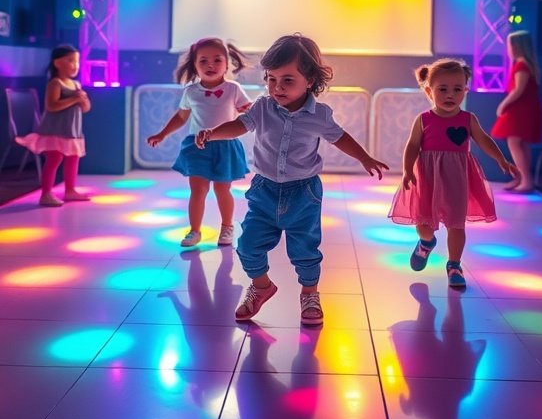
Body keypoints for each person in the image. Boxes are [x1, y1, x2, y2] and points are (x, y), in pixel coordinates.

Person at [195, 33, 389, 326]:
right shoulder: (262, 107)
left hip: (303, 193)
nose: (277, 87)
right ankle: (261, 286)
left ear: (309, 80)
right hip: (264, 190)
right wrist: (213, 133)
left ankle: (309, 294)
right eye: (271, 79)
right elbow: (239, 125)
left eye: (287, 80)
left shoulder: (320, 115)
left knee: (305, 250)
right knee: (247, 245)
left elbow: (340, 138)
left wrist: (365, 158)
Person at [388, 57, 517, 289]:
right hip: (428, 178)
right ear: (429, 91)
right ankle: (426, 243)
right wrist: (407, 170)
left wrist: (501, 159)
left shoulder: (468, 119)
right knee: (424, 223)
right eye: (443, 89)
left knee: (456, 224)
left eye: (457, 89)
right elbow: (413, 145)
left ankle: (454, 265)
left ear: (465, 91)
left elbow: (484, 140)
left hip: (457, 179)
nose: (450, 95)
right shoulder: (424, 119)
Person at [147, 37, 251, 248]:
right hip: (197, 146)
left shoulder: (233, 88)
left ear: (227, 64)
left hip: (225, 146)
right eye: (203, 61)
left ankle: (227, 227)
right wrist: (162, 134)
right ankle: (195, 230)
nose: (210, 65)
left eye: (217, 60)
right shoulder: (191, 91)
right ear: (194, 65)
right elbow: (181, 117)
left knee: (222, 189)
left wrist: (246, 110)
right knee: (198, 190)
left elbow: (247, 111)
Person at [15, 43, 91, 207]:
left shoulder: (76, 85)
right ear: (57, 63)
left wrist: (83, 100)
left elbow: (85, 109)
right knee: (54, 158)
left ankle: (70, 190)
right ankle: (46, 194)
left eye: (77, 61)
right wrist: (74, 99)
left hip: (72, 131)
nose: (75, 65)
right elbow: (51, 106)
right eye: (70, 61)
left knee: (73, 158)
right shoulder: (56, 83)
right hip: (56, 130)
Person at [491, 29, 542, 193]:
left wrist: (503, 105)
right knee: (522, 143)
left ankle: (525, 180)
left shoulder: (521, 65)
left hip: (521, 110)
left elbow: (518, 90)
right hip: (526, 108)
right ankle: (523, 178)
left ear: (516, 46)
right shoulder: (527, 64)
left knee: (514, 143)